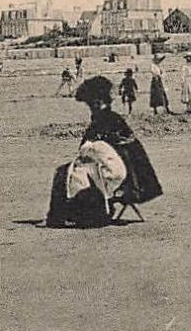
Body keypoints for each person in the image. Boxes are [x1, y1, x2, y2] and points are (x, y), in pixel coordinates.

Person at [44, 76, 162, 228]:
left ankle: (63, 215)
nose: (91, 108)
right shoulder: (113, 118)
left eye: (91, 105)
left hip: (118, 172)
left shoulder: (102, 120)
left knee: (64, 172)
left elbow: (89, 147)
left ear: (98, 102)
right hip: (132, 173)